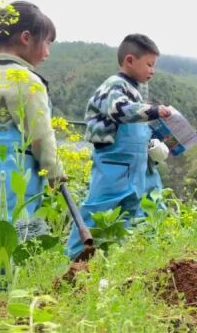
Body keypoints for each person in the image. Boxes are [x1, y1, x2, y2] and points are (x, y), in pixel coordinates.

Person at [67, 34, 171, 260]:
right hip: (115, 160)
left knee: (148, 204)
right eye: (149, 65)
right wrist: (153, 111)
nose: (152, 71)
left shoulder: (137, 89)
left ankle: (141, 255)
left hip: (139, 161)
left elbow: (139, 121)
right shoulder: (113, 86)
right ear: (130, 60)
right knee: (101, 207)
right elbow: (119, 110)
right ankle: (76, 258)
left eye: (155, 66)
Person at [0, 1, 65, 221]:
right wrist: (54, 172)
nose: (48, 52)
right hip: (17, 173)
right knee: (16, 234)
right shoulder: (29, 81)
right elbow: (41, 137)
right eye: (47, 42)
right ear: (26, 38)